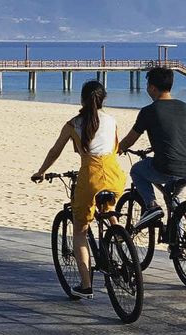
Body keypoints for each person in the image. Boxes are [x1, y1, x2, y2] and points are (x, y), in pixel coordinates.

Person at [31, 80, 125, 300]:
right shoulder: (112, 121)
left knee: (80, 230)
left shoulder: (73, 124)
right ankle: (122, 243)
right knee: (109, 209)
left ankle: (86, 285)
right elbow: (115, 147)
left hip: (90, 176)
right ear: (103, 99)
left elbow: (55, 151)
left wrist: (41, 171)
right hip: (115, 175)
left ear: (82, 99)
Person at [118, 67, 186, 229]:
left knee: (137, 170)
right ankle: (178, 236)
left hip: (167, 167)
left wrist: (119, 148)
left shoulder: (149, 111)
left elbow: (130, 140)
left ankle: (152, 206)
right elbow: (177, 134)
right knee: (172, 198)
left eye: (148, 85)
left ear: (152, 88)